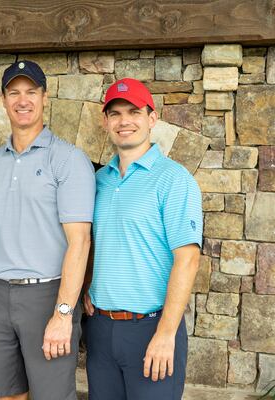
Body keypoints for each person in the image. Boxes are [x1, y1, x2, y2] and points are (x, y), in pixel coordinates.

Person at [0, 60, 96, 400]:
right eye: (14, 92)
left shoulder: (68, 159)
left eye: (31, 92)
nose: (23, 100)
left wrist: (64, 313)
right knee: (3, 394)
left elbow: (79, 241)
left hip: (47, 294)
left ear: (45, 97)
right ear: (4, 100)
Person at [83, 78, 202, 400]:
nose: (125, 121)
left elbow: (188, 258)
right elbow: (90, 241)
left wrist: (166, 334)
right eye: (116, 113)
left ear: (152, 118)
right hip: (100, 327)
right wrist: (87, 283)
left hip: (151, 327)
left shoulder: (174, 179)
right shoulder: (97, 181)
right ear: (105, 121)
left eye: (134, 112)